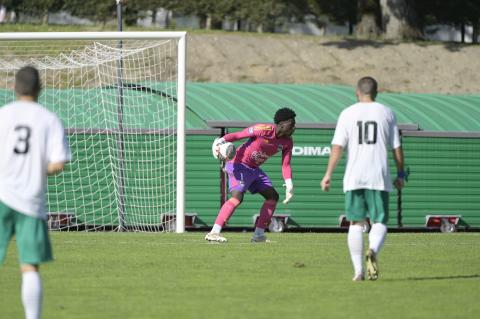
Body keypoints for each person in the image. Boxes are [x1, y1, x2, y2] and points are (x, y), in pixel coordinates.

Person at [0, 66, 71, 319]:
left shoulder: (3, 115)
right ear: (40, 88)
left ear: (14, 87)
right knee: (29, 266)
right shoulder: (48, 119)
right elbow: (58, 164)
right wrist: (34, 167)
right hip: (30, 201)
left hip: (1, 197)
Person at [320, 76, 405, 281]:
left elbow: (337, 147)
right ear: (376, 92)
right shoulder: (386, 113)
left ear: (357, 92)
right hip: (379, 176)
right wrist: (400, 173)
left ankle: (358, 271)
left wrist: (328, 174)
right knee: (380, 221)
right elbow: (396, 148)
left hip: (354, 176)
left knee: (356, 224)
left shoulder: (347, 113)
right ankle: (373, 249)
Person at [205, 107, 297, 243]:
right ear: (282, 124)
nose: (294, 127)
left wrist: (289, 184)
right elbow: (238, 135)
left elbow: (286, 165)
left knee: (273, 197)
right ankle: (214, 233)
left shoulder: (287, 142)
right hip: (239, 164)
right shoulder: (263, 129)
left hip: (254, 169)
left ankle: (258, 236)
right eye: (291, 123)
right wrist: (221, 140)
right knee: (237, 197)